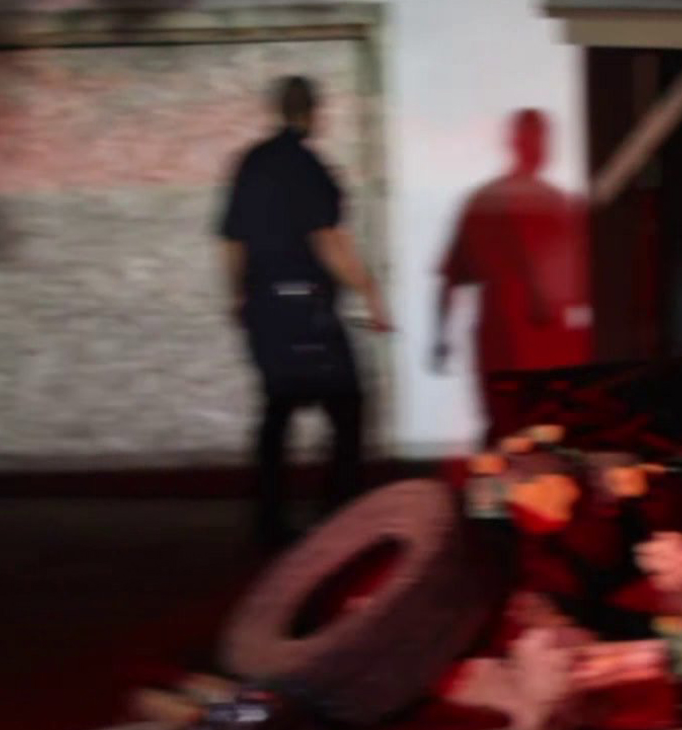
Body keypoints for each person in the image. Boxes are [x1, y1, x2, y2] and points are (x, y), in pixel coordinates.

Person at [218, 75, 393, 548]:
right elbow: (329, 242)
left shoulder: (249, 164)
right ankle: (337, 514)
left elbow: (232, 240)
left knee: (278, 407)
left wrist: (237, 296)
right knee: (348, 406)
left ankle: (269, 521)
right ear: (314, 113)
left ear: (278, 110)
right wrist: (371, 291)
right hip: (307, 306)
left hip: (264, 306)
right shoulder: (312, 169)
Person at [432, 109, 591, 444]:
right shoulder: (557, 205)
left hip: (513, 350)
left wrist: (440, 339)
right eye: (539, 140)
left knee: (506, 436)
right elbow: (582, 288)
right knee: (538, 441)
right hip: (536, 353)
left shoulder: (487, 201)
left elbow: (450, 279)